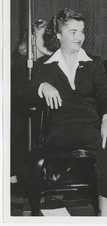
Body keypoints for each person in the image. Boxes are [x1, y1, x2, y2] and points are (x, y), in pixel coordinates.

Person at [19, 8, 107, 216]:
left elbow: (105, 96)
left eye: (82, 31)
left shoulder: (93, 62)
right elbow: (23, 96)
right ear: (59, 35)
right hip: (62, 128)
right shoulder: (44, 66)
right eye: (73, 32)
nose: (80, 37)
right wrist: (42, 86)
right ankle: (105, 207)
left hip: (93, 122)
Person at [11, 19, 52, 188]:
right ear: (33, 39)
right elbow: (18, 98)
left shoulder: (50, 63)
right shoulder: (22, 63)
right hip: (20, 116)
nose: (50, 41)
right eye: (45, 36)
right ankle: (16, 173)